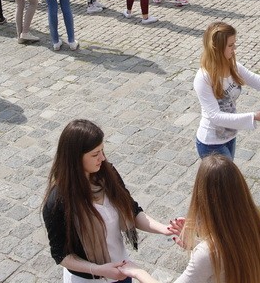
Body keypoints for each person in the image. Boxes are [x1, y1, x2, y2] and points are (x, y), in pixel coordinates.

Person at [42, 119, 174, 281]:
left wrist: (165, 229)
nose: (102, 158)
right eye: (95, 154)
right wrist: (99, 270)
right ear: (75, 158)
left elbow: (132, 210)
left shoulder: (107, 174)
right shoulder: (57, 202)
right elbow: (61, 254)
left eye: (102, 150)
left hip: (122, 269)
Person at [117, 154, 260, 283]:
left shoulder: (207, 253)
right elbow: (228, 256)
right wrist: (195, 244)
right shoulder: (256, 221)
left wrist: (138, 272)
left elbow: (213, 256)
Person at [194, 21, 260, 159]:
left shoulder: (233, 67)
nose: (235, 48)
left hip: (230, 137)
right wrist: (252, 116)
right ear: (217, 48)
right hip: (211, 144)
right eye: (230, 45)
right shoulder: (203, 78)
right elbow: (216, 117)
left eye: (234, 43)